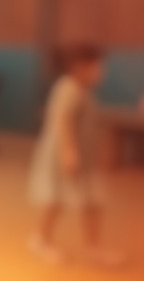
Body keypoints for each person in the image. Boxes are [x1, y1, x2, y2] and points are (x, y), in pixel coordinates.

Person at [28, 43, 126, 268]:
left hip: (84, 159)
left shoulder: (82, 89)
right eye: (97, 66)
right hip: (66, 157)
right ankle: (41, 240)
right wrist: (68, 152)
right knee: (56, 200)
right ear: (78, 67)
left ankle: (93, 248)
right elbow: (62, 121)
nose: (101, 71)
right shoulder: (68, 88)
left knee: (92, 201)